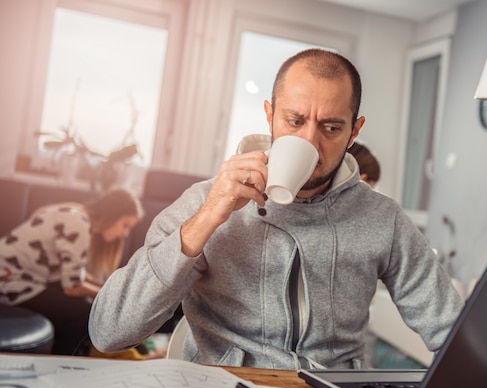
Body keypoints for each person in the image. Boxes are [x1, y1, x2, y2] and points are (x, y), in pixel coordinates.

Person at [89, 49, 463, 369]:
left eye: (331, 128)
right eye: (295, 121)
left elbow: (452, 330)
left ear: (354, 131)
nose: (310, 142)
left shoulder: (383, 219)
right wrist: (207, 219)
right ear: (270, 115)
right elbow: (109, 331)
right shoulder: (206, 200)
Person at [0, 187, 143, 355]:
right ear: (112, 215)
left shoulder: (73, 213)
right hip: (10, 283)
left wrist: (109, 289)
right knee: (90, 314)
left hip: (21, 279)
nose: (125, 234)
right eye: (125, 225)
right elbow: (72, 286)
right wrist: (112, 297)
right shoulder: (77, 224)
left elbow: (76, 274)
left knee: (84, 306)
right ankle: (63, 365)